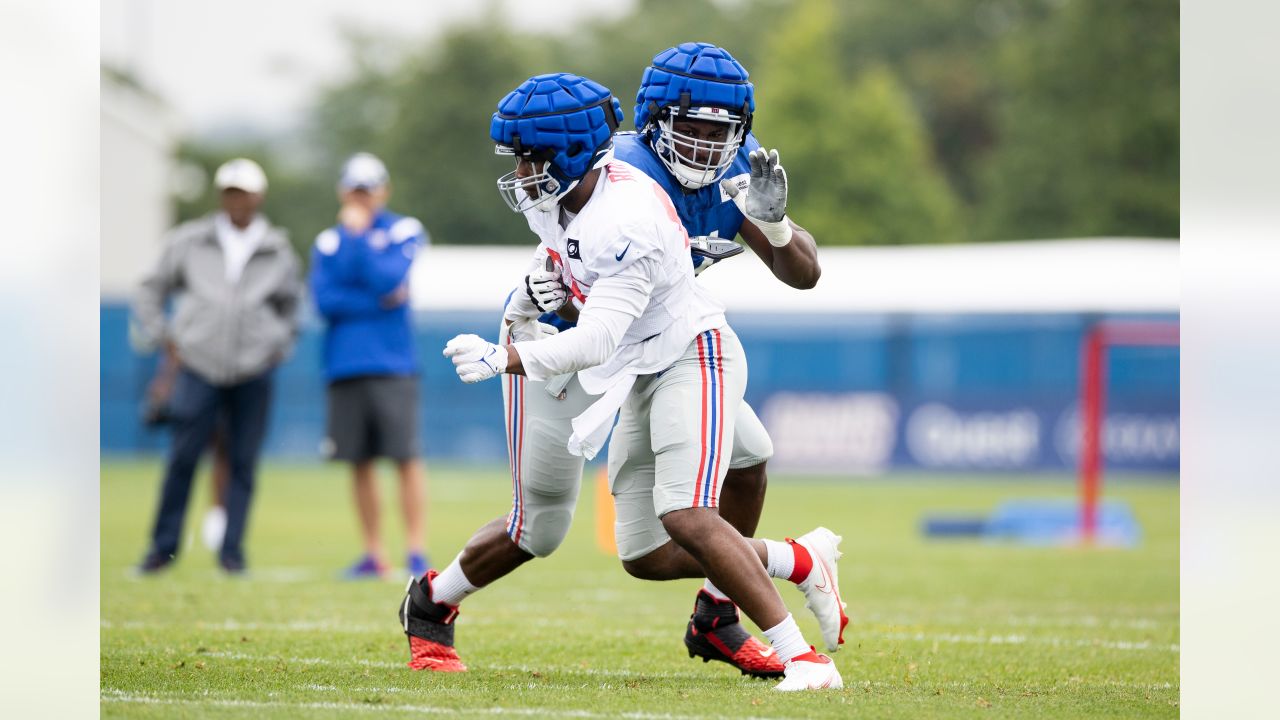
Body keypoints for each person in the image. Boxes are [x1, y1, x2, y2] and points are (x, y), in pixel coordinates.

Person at [400, 72, 843, 691]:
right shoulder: (602, 179)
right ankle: (433, 601)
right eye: (691, 128)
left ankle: (721, 610)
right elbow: (566, 272)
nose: (706, 145)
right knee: (541, 527)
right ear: (653, 123)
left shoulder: (710, 177)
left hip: (651, 345)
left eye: (721, 131)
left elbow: (801, 274)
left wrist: (775, 225)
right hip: (566, 348)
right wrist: (527, 299)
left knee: (746, 460)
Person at [131, 157, 302, 574]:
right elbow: (151, 288)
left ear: (258, 197)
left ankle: (232, 553)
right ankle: (162, 548)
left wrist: (275, 343)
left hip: (253, 369)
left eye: (242, 192)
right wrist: (165, 335)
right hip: (197, 365)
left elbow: (291, 306)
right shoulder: (190, 240)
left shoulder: (276, 248)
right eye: (229, 192)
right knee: (183, 458)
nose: (236, 200)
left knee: (243, 462)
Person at [310, 152, 432, 580]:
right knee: (358, 460)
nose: (362, 198)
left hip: (393, 364)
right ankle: (373, 553)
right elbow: (325, 301)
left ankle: (416, 549)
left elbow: (388, 279)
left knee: (405, 456)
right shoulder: (327, 240)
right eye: (355, 190)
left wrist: (359, 241)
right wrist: (375, 301)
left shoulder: (404, 229)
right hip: (345, 364)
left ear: (384, 190)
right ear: (344, 191)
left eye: (369, 189)